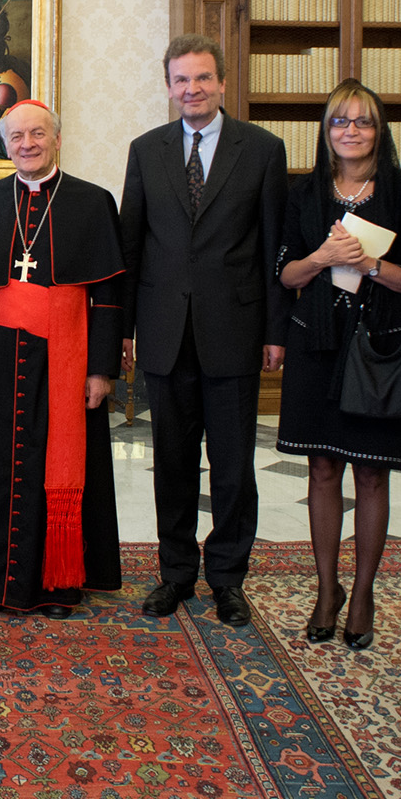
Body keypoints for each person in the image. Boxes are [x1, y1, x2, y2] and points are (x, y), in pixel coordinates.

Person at [119, 36, 288, 627]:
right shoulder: (146, 151)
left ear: (221, 83)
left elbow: (273, 247)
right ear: (168, 87)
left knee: (235, 465)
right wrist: (123, 330)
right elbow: (131, 244)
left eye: (202, 79)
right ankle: (175, 573)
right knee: (171, 459)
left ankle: (228, 578)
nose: (192, 90)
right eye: (181, 80)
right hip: (164, 330)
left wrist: (275, 329)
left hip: (235, 330)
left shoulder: (263, 149)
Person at [0, 101, 127, 617]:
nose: (27, 144)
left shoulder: (92, 203)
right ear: (5, 144)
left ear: (56, 139)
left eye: (37, 134)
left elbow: (110, 295)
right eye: (16, 136)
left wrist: (101, 368)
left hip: (65, 354)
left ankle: (57, 585)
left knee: (58, 461)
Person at [275, 79, 401, 651]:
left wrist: (372, 264)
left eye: (362, 122)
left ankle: (363, 593)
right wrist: (323, 257)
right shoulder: (305, 194)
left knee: (371, 471)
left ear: (379, 132)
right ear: (326, 132)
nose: (351, 131)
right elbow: (286, 275)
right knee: (323, 470)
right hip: (316, 344)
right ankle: (327, 589)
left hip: (378, 349)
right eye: (340, 121)